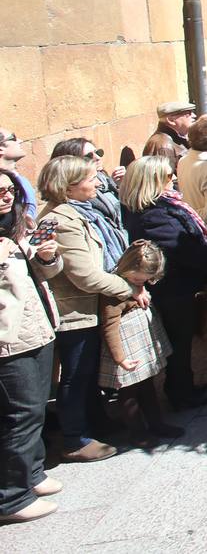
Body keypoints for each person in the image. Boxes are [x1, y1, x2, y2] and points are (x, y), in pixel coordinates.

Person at [37, 155, 143, 462]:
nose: (97, 182)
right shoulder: (60, 220)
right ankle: (74, 439)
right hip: (75, 312)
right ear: (68, 187)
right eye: (89, 178)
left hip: (86, 308)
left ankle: (91, 426)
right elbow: (83, 275)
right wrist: (128, 289)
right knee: (76, 375)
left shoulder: (74, 212)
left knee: (83, 374)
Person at [121, 155, 207, 412]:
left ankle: (184, 386)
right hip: (173, 290)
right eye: (169, 176)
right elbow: (185, 252)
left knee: (182, 342)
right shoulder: (153, 216)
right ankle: (181, 392)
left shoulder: (159, 207)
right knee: (178, 344)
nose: (174, 180)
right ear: (154, 180)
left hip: (178, 287)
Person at [0, 168, 63, 523]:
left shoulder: (19, 224)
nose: (7, 196)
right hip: (8, 340)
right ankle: (11, 498)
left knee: (35, 408)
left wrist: (45, 257)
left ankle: (33, 475)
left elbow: (45, 274)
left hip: (37, 327)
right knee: (19, 414)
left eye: (9, 189)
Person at [97, 240, 182, 445]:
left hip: (139, 341)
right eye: (137, 278)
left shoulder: (135, 284)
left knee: (147, 386)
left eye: (145, 280)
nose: (140, 283)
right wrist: (120, 358)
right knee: (128, 392)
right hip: (126, 346)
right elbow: (109, 326)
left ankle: (156, 424)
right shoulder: (114, 292)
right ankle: (137, 433)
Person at [0, 128, 38, 223]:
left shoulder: (16, 178)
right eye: (13, 138)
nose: (20, 140)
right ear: (1, 149)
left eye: (12, 190)